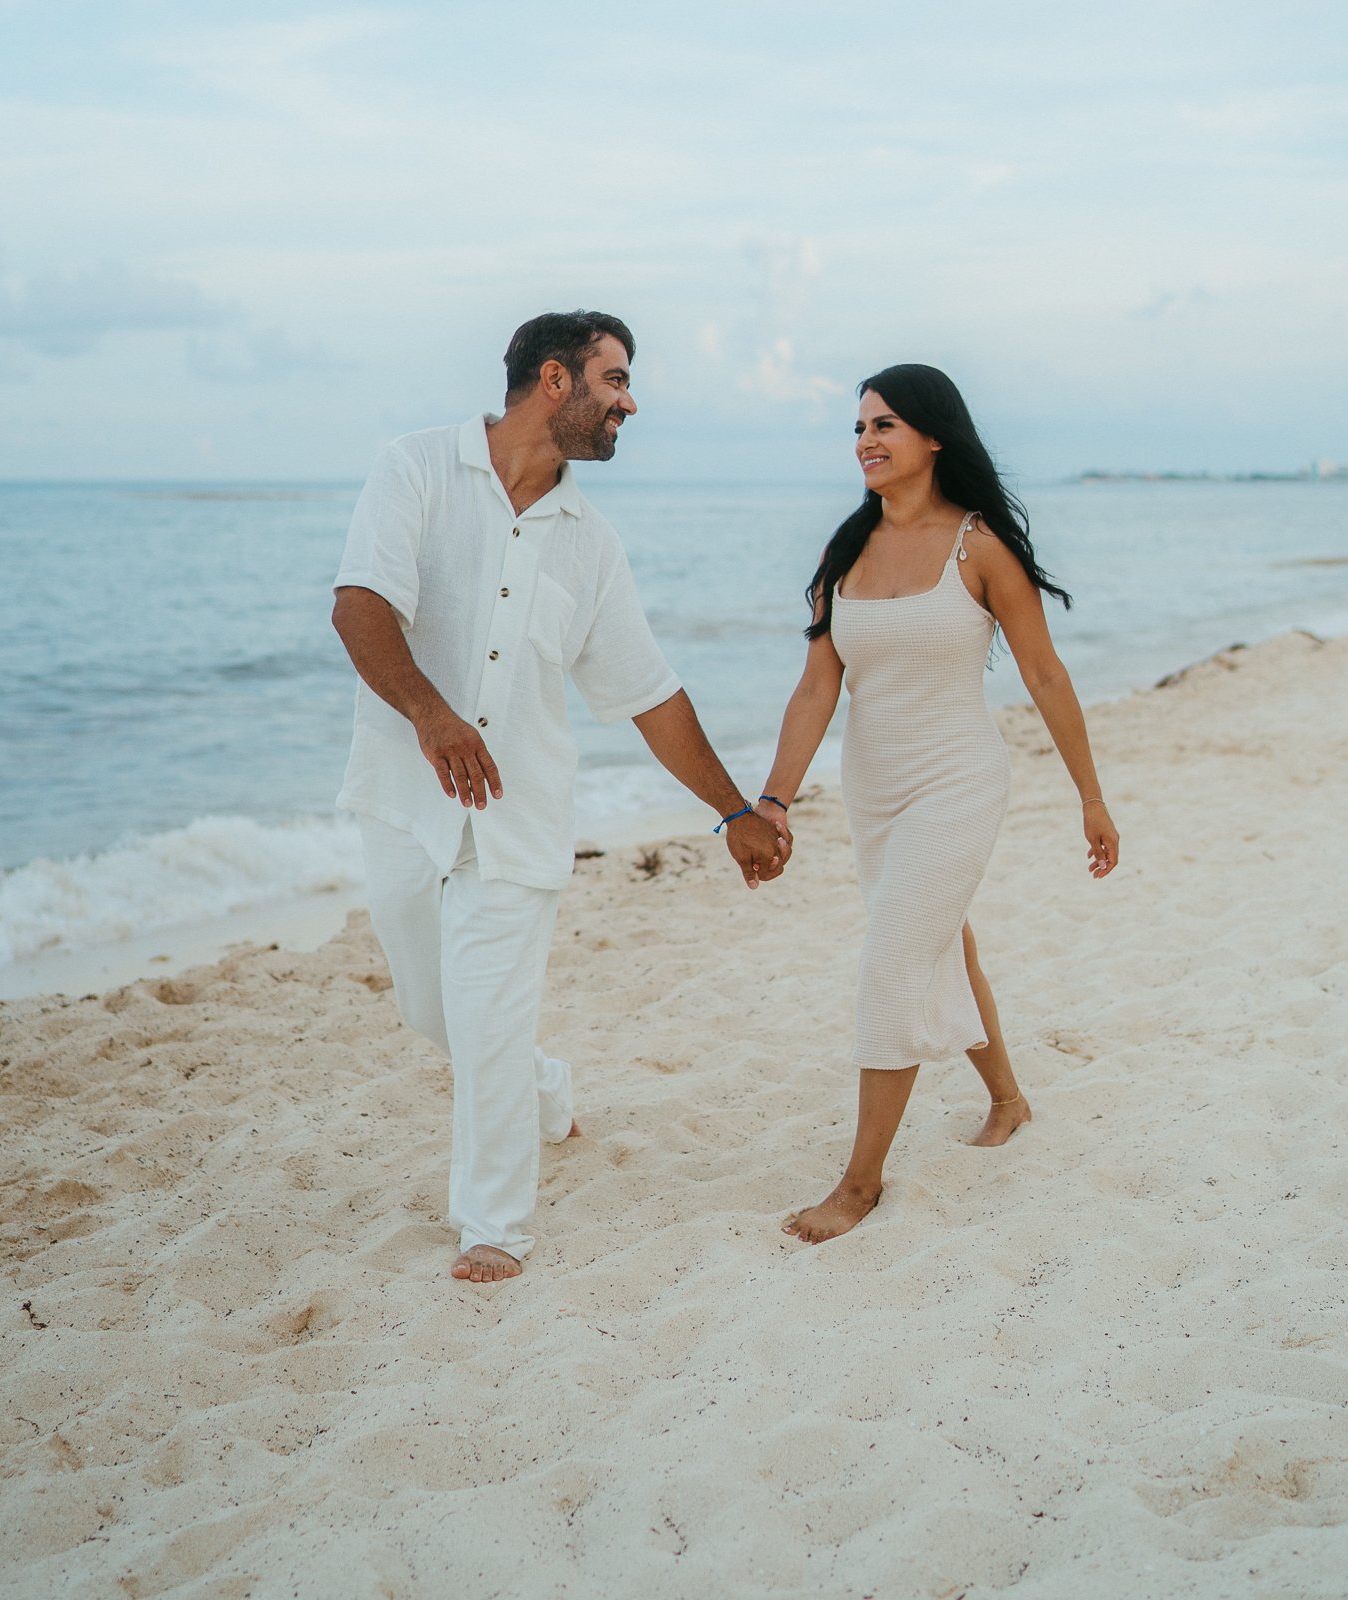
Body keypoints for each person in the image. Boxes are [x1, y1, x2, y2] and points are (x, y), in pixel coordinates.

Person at [331, 310, 786, 1285]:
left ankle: (493, 1224)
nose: (630, 401)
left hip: (522, 811)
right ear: (554, 379)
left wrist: (734, 810)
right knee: (429, 1004)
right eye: (615, 379)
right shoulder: (413, 469)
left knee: (489, 1010)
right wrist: (431, 713)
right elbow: (359, 604)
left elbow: (648, 691)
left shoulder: (590, 541)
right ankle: (542, 1087)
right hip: (405, 796)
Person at [755, 363, 1119, 1244]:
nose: (866, 441)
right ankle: (1008, 1099)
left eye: (884, 424)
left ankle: (858, 1184)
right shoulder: (842, 552)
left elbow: (1042, 673)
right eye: (858, 427)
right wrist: (773, 799)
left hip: (958, 780)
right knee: (941, 947)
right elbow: (815, 692)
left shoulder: (978, 546)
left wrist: (1090, 798)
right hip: (872, 791)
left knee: (890, 966)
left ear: (932, 437)